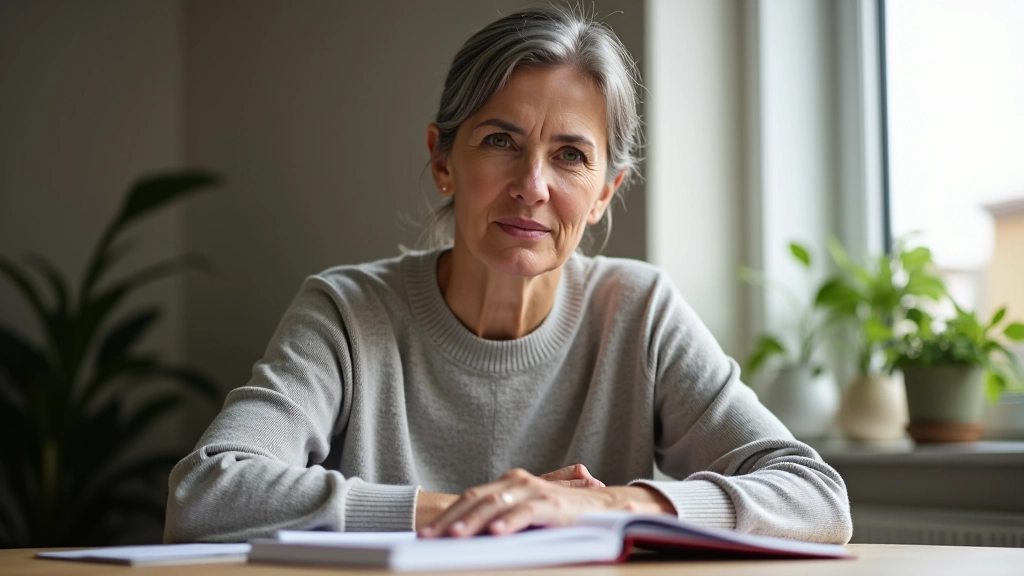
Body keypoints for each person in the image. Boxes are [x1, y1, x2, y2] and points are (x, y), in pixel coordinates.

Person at [164, 5, 852, 544]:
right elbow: (205, 495)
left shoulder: (638, 310)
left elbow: (816, 497)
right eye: (501, 142)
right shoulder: (346, 311)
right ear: (443, 160)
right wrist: (467, 513)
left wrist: (603, 506)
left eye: (571, 156)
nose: (533, 185)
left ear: (606, 190)